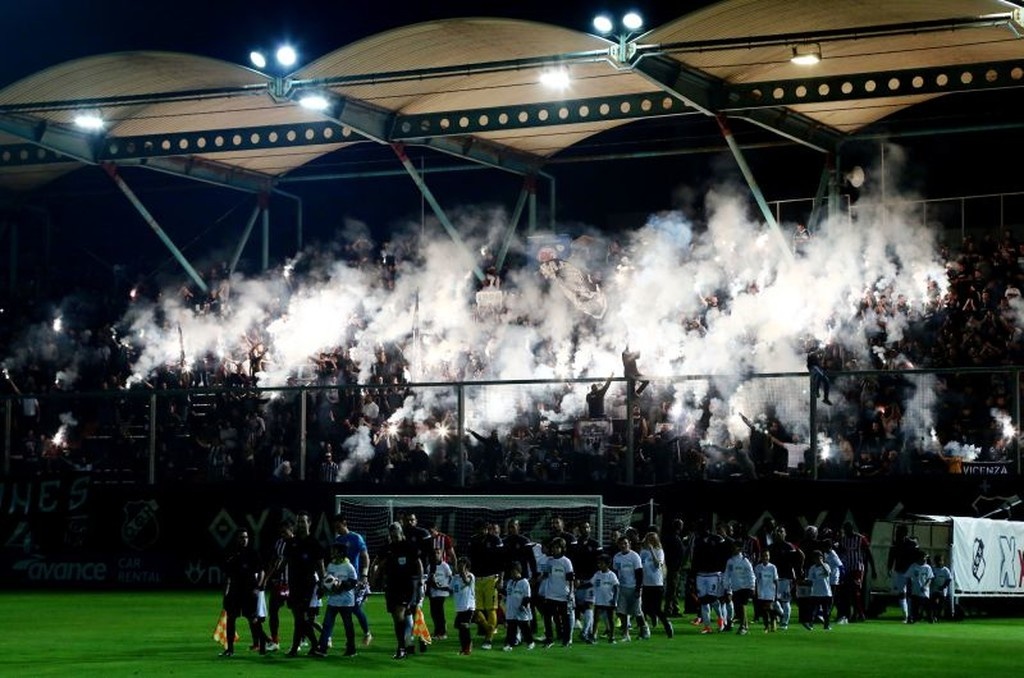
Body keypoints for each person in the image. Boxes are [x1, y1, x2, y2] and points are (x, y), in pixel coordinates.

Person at [266, 511, 326, 658]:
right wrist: (275, 577)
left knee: (301, 617)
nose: (299, 524)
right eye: (298, 522)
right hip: (293, 585)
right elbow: (284, 562)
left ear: (309, 523)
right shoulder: (292, 542)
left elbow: (320, 566)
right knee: (301, 618)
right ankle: (315, 646)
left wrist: (323, 584)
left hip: (308, 586)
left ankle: (296, 648)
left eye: (302, 522)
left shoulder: (314, 543)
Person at [371, 521, 423, 660]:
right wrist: (373, 578)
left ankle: (401, 648)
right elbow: (378, 563)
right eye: (392, 535)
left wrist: (420, 581)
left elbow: (419, 563)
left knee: (399, 614)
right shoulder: (387, 549)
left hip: (406, 585)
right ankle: (410, 641)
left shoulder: (409, 547)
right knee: (399, 616)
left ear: (401, 532)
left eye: (396, 534)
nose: (394, 537)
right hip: (391, 586)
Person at [220, 529, 269, 657]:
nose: (244, 539)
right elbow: (228, 576)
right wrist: (225, 593)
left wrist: (258, 588)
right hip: (235, 591)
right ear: (237, 539)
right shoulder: (232, 554)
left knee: (253, 619)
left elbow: (262, 572)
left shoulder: (253, 553)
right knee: (231, 619)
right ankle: (230, 649)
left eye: (246, 537)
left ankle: (263, 642)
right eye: (242, 537)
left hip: (249, 591)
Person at [333, 514, 373, 646]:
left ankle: (367, 633)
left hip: (355, 580)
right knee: (342, 609)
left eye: (338, 526)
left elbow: (365, 556)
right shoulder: (338, 540)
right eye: (335, 527)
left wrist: (365, 575)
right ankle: (348, 640)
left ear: (344, 523)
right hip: (342, 581)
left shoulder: (356, 538)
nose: (337, 529)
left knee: (355, 608)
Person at [467, 519, 504, 649]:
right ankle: (488, 628)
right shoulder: (472, 541)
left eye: (484, 528)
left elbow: (501, 561)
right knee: (475, 609)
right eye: (479, 529)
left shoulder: (495, 541)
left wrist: (501, 578)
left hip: (491, 578)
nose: (482, 531)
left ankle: (488, 638)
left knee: (491, 609)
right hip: (476, 579)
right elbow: (469, 560)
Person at [317, 544, 358, 657]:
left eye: (334, 550)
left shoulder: (349, 567)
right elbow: (327, 581)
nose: (332, 552)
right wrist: (324, 588)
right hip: (333, 600)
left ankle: (351, 649)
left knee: (348, 626)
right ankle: (322, 649)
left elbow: (353, 583)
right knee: (327, 625)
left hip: (346, 602)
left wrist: (341, 585)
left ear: (340, 553)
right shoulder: (331, 565)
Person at [568, 520, 602, 643]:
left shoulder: (595, 544)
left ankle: (586, 632)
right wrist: (575, 577)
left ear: (590, 529)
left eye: (587, 527)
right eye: (583, 527)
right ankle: (574, 632)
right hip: (578, 580)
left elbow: (599, 564)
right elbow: (573, 563)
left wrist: (595, 579)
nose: (585, 529)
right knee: (578, 606)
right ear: (579, 529)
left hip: (591, 580)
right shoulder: (576, 545)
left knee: (589, 606)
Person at [264, 519, 293, 652]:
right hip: (280, 583)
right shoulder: (279, 543)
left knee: (299, 614)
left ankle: (301, 640)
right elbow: (273, 561)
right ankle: (275, 641)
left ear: (291, 530)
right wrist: (266, 579)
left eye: (284, 532)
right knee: (273, 611)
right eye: (280, 532)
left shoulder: (297, 543)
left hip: (294, 584)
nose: (282, 534)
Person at [836, 521, 874, 623]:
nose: (846, 531)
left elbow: (868, 553)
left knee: (855, 591)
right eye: (845, 529)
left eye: (847, 529)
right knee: (846, 592)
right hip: (846, 568)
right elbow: (839, 552)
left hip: (857, 568)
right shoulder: (843, 540)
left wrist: (873, 569)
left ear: (851, 529)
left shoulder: (860, 538)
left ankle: (860, 613)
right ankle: (850, 614)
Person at [612, 534, 647, 642]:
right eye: (621, 544)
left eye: (625, 543)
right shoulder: (617, 557)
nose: (623, 546)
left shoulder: (634, 556)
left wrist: (638, 588)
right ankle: (626, 634)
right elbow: (615, 572)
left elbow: (639, 573)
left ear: (629, 544)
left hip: (633, 587)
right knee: (622, 612)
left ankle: (644, 629)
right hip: (622, 588)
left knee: (637, 612)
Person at [541, 536, 575, 647]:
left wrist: (571, 592)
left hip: (563, 595)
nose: (555, 550)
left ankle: (566, 640)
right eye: (553, 548)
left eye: (557, 547)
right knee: (547, 617)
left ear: (562, 548)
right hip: (550, 594)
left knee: (565, 618)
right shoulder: (549, 561)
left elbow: (570, 579)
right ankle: (549, 639)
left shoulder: (566, 562)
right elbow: (546, 575)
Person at [639, 531, 674, 638]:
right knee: (644, 608)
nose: (650, 541)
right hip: (646, 584)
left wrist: (651, 551)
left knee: (657, 608)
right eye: (648, 539)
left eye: (652, 539)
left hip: (656, 584)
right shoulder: (643, 552)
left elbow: (658, 564)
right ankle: (644, 631)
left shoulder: (660, 551)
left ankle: (667, 624)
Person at [887, 524, 920, 623]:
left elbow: (917, 556)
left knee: (910, 593)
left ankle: (910, 615)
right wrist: (889, 568)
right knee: (902, 593)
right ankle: (906, 615)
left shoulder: (912, 543)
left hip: (910, 571)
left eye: (900, 531)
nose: (898, 533)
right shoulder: (895, 543)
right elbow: (891, 556)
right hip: (900, 570)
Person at [502, 561, 535, 651]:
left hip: (521, 610)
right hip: (511, 609)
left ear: (518, 571)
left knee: (524, 628)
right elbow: (508, 594)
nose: (511, 574)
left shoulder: (524, 583)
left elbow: (527, 596)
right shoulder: (510, 582)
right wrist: (501, 591)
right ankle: (509, 644)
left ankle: (530, 642)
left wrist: (523, 605)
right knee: (511, 629)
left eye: (513, 571)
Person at [724, 540, 755, 635]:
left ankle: (742, 627)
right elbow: (727, 575)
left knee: (742, 606)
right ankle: (745, 625)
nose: (734, 548)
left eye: (737, 547)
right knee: (738, 607)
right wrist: (727, 588)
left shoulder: (745, 560)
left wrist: (752, 586)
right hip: (735, 587)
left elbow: (751, 574)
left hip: (745, 586)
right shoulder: (730, 561)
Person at [590, 555, 620, 643]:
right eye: (599, 563)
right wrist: (580, 586)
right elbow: (591, 583)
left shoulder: (611, 575)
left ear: (607, 564)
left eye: (601, 563)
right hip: (599, 600)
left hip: (609, 600)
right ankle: (593, 635)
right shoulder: (597, 574)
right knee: (596, 619)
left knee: (611, 619)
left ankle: (612, 637)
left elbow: (616, 587)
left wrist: (615, 599)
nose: (599, 565)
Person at [426, 547, 453, 640]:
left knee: (439, 612)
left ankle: (443, 632)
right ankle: (437, 631)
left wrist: (447, 586)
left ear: (441, 554)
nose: (436, 554)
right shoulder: (430, 566)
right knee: (434, 613)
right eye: (435, 553)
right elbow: (429, 578)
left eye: (438, 553)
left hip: (442, 592)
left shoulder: (444, 566)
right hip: (433, 592)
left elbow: (450, 576)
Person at [452, 557, 477, 655]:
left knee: (464, 626)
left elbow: (467, 581)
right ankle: (463, 648)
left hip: (469, 606)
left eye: (462, 565)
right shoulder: (456, 578)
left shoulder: (471, 576)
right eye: (459, 564)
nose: (459, 567)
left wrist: (462, 572)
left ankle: (468, 647)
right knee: (460, 627)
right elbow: (450, 588)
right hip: (459, 607)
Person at [803, 550, 833, 630]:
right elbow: (810, 580)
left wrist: (822, 564)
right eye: (816, 558)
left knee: (826, 611)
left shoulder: (826, 566)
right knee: (813, 610)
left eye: (819, 558)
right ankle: (810, 624)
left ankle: (826, 625)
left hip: (826, 592)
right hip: (815, 592)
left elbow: (827, 573)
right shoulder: (812, 568)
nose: (817, 560)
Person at [754, 549, 780, 632]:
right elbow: (755, 580)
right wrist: (755, 590)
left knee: (769, 607)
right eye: (764, 556)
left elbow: (776, 580)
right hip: (761, 591)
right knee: (764, 610)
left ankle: (773, 620)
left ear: (769, 557)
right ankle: (766, 626)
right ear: (761, 557)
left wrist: (776, 593)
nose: (765, 557)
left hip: (770, 591)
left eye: (767, 555)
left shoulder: (773, 567)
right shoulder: (758, 567)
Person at [906, 549, 934, 623]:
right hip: (915, 590)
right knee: (915, 606)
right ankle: (913, 618)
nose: (925, 559)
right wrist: (909, 588)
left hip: (925, 592)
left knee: (927, 605)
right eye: (924, 557)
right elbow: (908, 578)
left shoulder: (928, 567)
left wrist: (926, 586)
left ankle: (930, 618)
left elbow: (930, 578)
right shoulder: (913, 566)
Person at [930, 554, 953, 621]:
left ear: (943, 561)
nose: (939, 562)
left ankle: (938, 616)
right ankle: (933, 615)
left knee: (940, 604)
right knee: (933, 603)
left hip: (942, 591)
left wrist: (943, 587)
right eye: (937, 561)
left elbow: (949, 579)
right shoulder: (933, 569)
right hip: (934, 589)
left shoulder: (945, 570)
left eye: (940, 561)